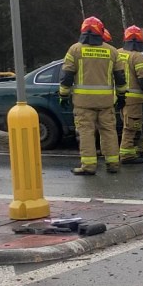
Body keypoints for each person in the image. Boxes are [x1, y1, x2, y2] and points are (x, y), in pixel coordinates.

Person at [58, 16, 126, 176]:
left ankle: (88, 166)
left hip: (83, 102)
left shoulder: (75, 50)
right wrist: (122, 96)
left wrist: (63, 95)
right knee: (109, 131)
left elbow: (67, 76)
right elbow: (120, 77)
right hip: (106, 102)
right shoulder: (112, 51)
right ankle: (113, 164)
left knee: (86, 133)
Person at [117, 25, 143, 164]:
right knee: (131, 126)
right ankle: (127, 155)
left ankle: (142, 149)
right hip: (133, 98)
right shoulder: (138, 56)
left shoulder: (117, 53)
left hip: (119, 97)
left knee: (135, 124)